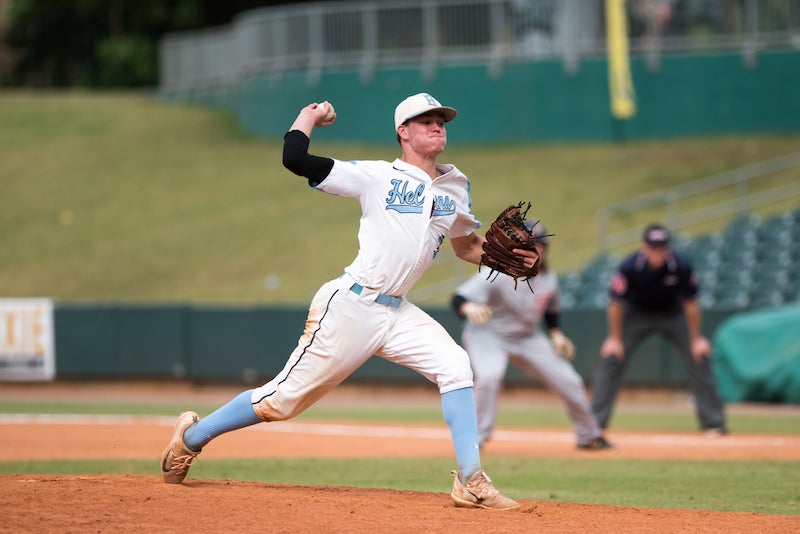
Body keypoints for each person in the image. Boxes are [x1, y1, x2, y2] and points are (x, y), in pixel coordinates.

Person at [159, 93, 540, 510]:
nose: (437, 125)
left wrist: (511, 261)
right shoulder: (376, 176)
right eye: (425, 120)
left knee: (455, 365)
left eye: (441, 120)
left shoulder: (455, 185)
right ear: (403, 131)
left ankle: (471, 480)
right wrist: (308, 115)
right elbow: (296, 160)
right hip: (351, 306)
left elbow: (466, 245)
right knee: (280, 402)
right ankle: (191, 437)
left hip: (398, 312)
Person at [451, 220, 613, 451]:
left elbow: (551, 309)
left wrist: (556, 334)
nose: (537, 250)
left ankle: (589, 436)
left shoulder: (548, 277)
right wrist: (469, 308)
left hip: (527, 336)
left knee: (570, 380)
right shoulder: (499, 270)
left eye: (541, 245)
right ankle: (476, 439)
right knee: (488, 377)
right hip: (489, 334)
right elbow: (458, 298)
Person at [590, 223, 728, 436]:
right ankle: (594, 423)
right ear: (644, 247)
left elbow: (691, 305)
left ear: (668, 248)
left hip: (673, 314)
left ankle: (714, 422)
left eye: (661, 248)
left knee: (699, 355)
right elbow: (616, 305)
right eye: (653, 248)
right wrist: (615, 339)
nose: (657, 253)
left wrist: (696, 339)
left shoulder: (681, 266)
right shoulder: (629, 266)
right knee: (612, 357)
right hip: (637, 314)